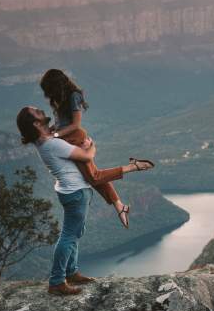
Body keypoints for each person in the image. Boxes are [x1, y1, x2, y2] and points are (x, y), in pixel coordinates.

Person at [15, 105, 154, 296]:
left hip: (71, 192)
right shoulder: (52, 144)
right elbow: (88, 156)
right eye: (37, 112)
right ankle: (56, 281)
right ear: (36, 123)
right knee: (69, 236)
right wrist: (91, 145)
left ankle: (71, 272)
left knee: (75, 232)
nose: (41, 111)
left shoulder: (45, 142)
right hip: (76, 193)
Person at [39, 69, 152, 228]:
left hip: (75, 138)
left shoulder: (73, 96)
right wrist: (51, 130)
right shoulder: (58, 98)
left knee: (94, 177)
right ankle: (120, 206)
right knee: (93, 176)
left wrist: (55, 136)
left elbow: (75, 125)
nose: (47, 93)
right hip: (66, 140)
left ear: (56, 84)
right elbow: (60, 122)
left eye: (48, 88)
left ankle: (133, 166)